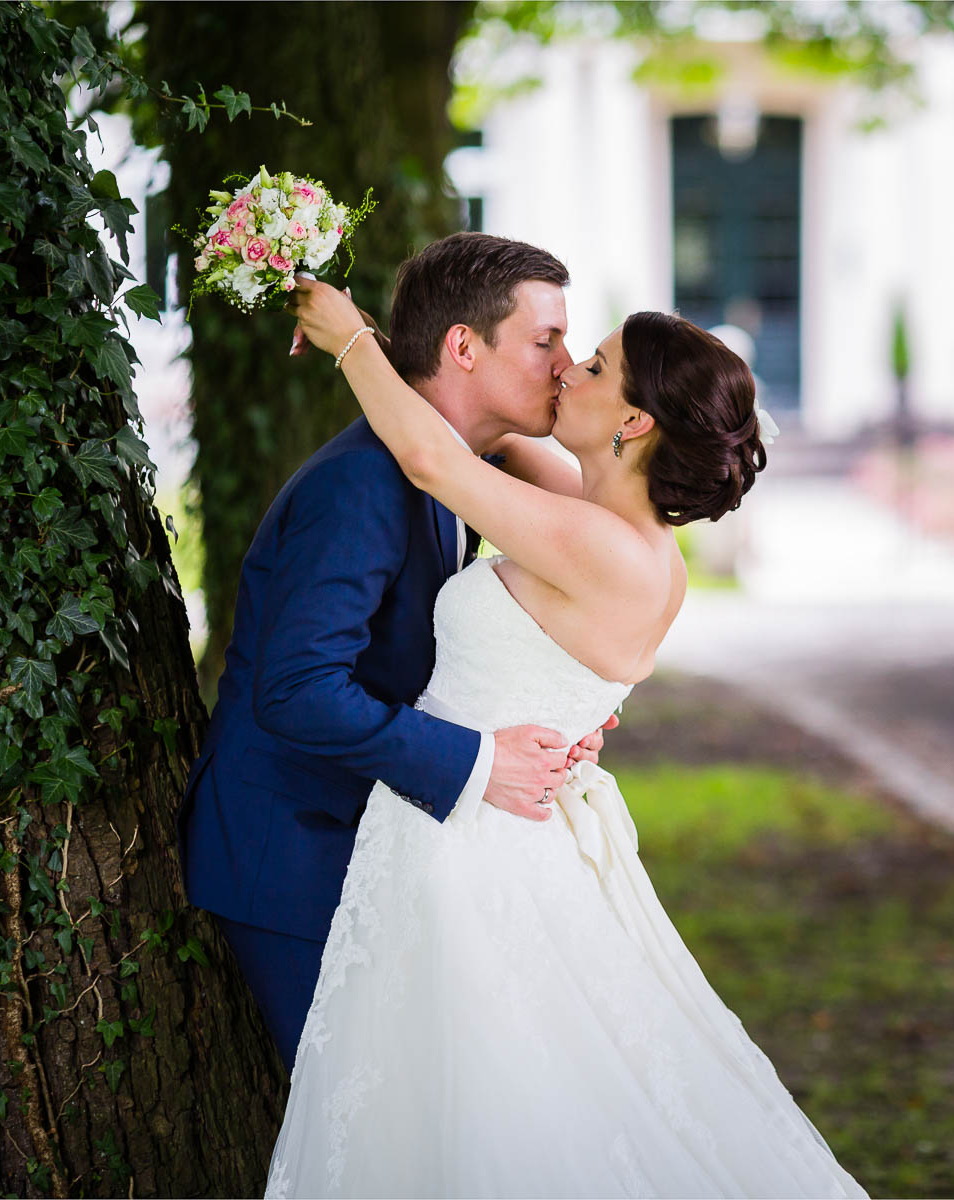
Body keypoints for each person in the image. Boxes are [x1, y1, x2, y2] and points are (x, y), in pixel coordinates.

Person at [267, 273, 866, 1197]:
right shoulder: (599, 520)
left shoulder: (604, 548)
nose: (567, 371)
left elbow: (436, 464)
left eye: (592, 364)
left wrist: (352, 340)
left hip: (474, 848)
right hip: (468, 822)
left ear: (633, 423)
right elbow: (472, 440)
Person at [178, 233, 615, 1071]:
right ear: (463, 347)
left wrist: (559, 716)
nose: (564, 364)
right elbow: (300, 690)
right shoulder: (364, 482)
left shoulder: (461, 468)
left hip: (369, 836)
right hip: (295, 853)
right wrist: (481, 764)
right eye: (545, 340)